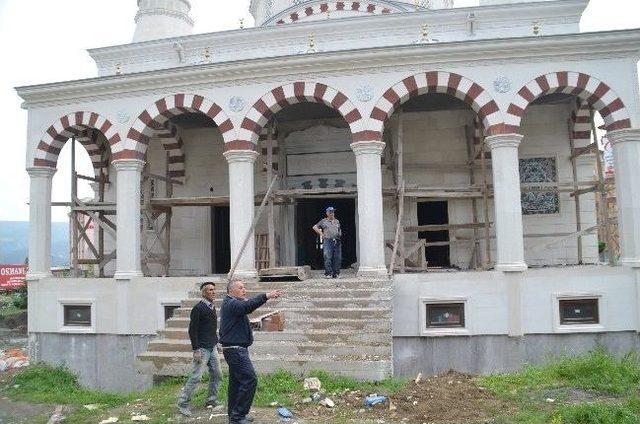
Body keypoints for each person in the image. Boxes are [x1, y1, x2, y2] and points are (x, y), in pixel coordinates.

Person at [220, 279, 282, 424]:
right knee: (250, 379)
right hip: (235, 350)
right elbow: (247, 307)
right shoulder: (231, 303)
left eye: (244, 287)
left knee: (236, 383)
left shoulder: (232, 304)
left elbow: (239, 320)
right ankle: (238, 416)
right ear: (231, 291)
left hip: (235, 348)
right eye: (241, 288)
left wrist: (255, 326)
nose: (244, 290)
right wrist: (266, 296)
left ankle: (234, 415)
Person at [177, 281, 223, 417]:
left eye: (214, 290)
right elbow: (192, 330)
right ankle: (183, 403)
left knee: (217, 374)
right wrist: (196, 349)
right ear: (203, 293)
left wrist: (217, 343)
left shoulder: (212, 307)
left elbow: (211, 328)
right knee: (196, 377)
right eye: (210, 290)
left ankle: (212, 400)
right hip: (202, 349)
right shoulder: (198, 308)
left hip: (212, 346)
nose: (213, 292)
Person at [312, 206, 342, 278]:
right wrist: (321, 234)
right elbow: (314, 227)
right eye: (330, 212)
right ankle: (328, 273)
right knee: (328, 257)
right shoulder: (324, 221)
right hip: (328, 241)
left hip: (337, 241)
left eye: (333, 212)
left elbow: (339, 229)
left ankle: (336, 274)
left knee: (337, 258)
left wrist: (339, 234)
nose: (332, 213)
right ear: (327, 213)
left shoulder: (337, 221)